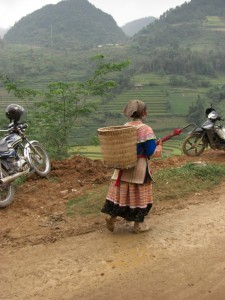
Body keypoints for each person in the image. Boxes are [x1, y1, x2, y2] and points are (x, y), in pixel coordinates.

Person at [101, 99, 162, 234]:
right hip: (138, 169)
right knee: (140, 196)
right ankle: (138, 226)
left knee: (120, 196)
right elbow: (151, 152)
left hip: (122, 168)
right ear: (144, 113)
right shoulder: (145, 129)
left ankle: (111, 217)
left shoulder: (125, 127)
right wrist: (159, 147)